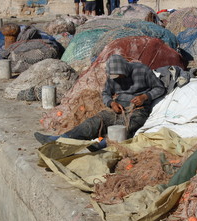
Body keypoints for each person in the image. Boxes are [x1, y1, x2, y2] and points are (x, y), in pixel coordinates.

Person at [34, 54, 166, 149]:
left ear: (125, 70)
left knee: (125, 127)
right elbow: (106, 93)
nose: (117, 79)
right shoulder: (113, 76)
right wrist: (111, 103)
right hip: (118, 107)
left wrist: (145, 97)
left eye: (120, 76)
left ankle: (101, 144)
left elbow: (160, 88)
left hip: (138, 110)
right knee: (95, 121)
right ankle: (61, 139)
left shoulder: (142, 71)